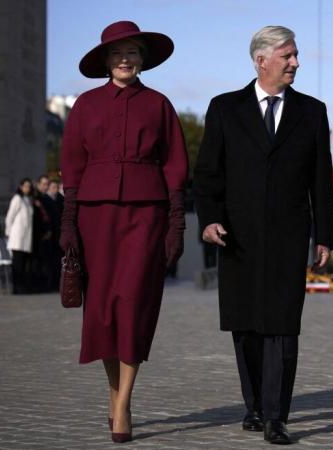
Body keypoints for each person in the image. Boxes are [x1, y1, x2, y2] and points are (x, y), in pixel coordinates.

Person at [193, 25, 333, 445]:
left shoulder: (312, 111)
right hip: (236, 237)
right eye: (288, 56)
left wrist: (324, 236)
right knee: (247, 326)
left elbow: (320, 179)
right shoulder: (224, 108)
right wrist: (209, 219)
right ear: (262, 60)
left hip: (290, 236)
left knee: (282, 326)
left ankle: (276, 415)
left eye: (295, 55)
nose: (296, 62)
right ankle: (254, 404)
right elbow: (207, 174)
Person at [59, 21, 188, 443]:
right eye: (118, 53)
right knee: (101, 311)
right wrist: (68, 222)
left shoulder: (160, 105)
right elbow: (72, 165)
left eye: (132, 52)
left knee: (133, 306)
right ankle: (117, 398)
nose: (126, 59)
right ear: (105, 61)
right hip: (94, 217)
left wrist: (175, 223)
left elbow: (175, 166)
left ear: (142, 58)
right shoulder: (85, 105)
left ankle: (122, 403)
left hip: (146, 216)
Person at [4, 178, 34, 294]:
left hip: (26, 238)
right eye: (26, 186)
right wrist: (8, 233)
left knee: (23, 264)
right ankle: (16, 287)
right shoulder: (17, 198)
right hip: (17, 237)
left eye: (29, 186)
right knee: (17, 264)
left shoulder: (27, 199)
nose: (28, 188)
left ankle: (22, 286)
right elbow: (10, 217)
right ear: (21, 187)